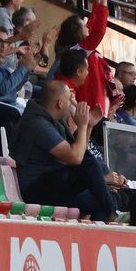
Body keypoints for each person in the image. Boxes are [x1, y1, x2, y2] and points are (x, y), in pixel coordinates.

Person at [10, 80, 119, 222]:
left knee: (100, 202)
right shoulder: (38, 123)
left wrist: (88, 126)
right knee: (88, 164)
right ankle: (112, 214)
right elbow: (76, 158)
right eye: (69, 99)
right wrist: (82, 125)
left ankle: (103, 226)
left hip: (54, 183)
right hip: (36, 188)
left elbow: (80, 153)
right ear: (60, 103)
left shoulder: (52, 119)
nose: (72, 103)